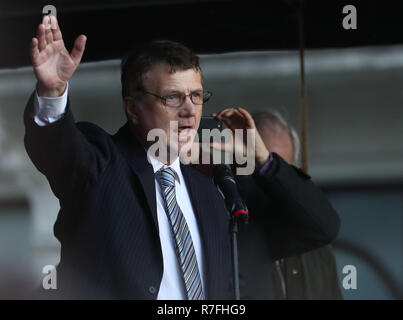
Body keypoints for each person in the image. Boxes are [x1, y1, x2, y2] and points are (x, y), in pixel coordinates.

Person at [24, 15, 339, 299]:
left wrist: (262, 158)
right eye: (172, 96)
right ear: (132, 107)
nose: (189, 110)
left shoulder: (215, 184)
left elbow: (319, 225)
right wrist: (52, 93)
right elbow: (60, 150)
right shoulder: (103, 163)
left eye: (196, 96)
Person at [211, 108, 341, 299]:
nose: (270, 185)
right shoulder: (227, 230)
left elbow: (327, 226)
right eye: (256, 166)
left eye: (276, 170)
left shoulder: (316, 245)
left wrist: (267, 164)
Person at [253, 111, 343, 300]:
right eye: (260, 168)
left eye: (280, 170)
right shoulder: (231, 233)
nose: (273, 183)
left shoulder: (317, 245)